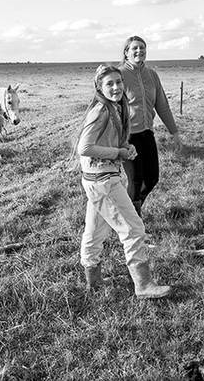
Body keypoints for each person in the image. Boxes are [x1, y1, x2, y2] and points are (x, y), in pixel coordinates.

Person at [75, 64, 172, 299]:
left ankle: (93, 280)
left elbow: (105, 142)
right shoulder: (101, 110)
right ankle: (143, 285)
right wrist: (118, 153)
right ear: (99, 87)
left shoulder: (112, 107)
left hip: (97, 179)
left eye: (119, 82)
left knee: (95, 231)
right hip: (103, 180)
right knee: (134, 229)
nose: (116, 87)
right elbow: (84, 147)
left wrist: (125, 148)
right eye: (109, 84)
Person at [119, 36, 182, 216]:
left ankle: (128, 210)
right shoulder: (120, 74)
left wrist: (174, 132)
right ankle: (133, 222)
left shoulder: (152, 75)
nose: (139, 51)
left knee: (152, 178)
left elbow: (162, 104)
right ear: (126, 52)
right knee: (136, 179)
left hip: (147, 133)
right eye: (135, 48)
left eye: (142, 48)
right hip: (127, 137)